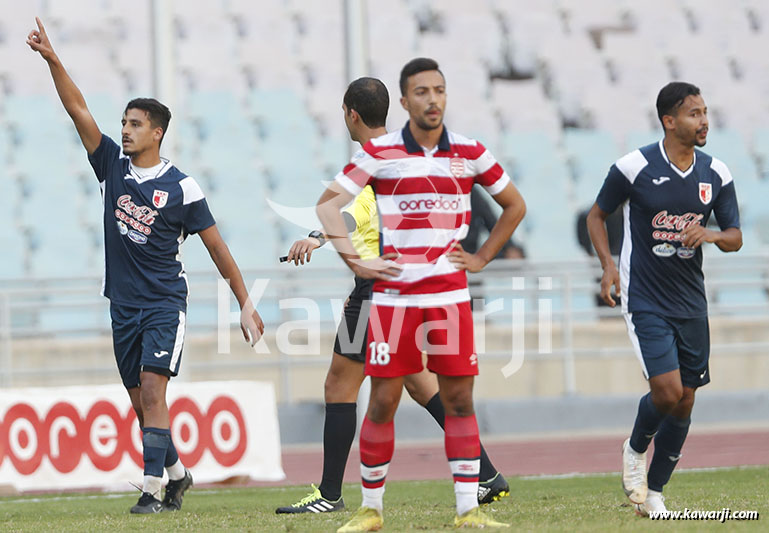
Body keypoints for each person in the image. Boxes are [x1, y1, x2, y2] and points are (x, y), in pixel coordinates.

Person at [27, 18, 264, 514]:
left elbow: (218, 250)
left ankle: (151, 490)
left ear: (157, 132)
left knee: (155, 391)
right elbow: (77, 110)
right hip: (122, 306)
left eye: (135, 124)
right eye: (124, 123)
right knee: (141, 405)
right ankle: (177, 475)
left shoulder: (183, 187)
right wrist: (53, 59)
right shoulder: (112, 166)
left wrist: (245, 302)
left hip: (163, 305)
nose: (125, 130)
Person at [276, 77, 510, 515]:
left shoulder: (373, 159)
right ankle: (487, 474)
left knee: (339, 384)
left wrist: (317, 236)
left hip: (376, 290)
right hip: (411, 286)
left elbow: (350, 210)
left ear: (351, 113)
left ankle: (329, 495)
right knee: (420, 385)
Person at [586, 82, 741, 517]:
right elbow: (597, 215)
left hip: (692, 302)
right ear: (669, 121)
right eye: (694, 113)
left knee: (687, 398)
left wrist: (710, 233)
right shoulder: (635, 166)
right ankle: (635, 449)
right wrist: (609, 266)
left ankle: (654, 493)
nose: (704, 120)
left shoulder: (717, 173)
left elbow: (735, 236)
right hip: (645, 298)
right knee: (668, 390)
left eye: (705, 112)